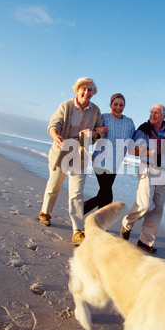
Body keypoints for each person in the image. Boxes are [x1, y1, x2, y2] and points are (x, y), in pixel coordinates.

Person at [39, 77, 104, 245]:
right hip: (61, 149)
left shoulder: (95, 110)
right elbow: (54, 124)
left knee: (76, 192)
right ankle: (45, 212)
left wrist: (95, 134)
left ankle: (77, 230)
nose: (87, 92)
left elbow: (100, 132)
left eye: (90, 90)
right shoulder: (66, 105)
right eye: (84, 89)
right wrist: (56, 136)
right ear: (77, 90)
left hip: (80, 153)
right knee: (54, 185)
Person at [120, 104, 165, 254]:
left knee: (158, 208)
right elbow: (131, 149)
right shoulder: (144, 129)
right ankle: (127, 224)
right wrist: (149, 152)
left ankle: (145, 240)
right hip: (147, 168)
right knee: (145, 204)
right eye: (151, 112)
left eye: (156, 113)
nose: (152, 115)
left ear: (163, 116)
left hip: (163, 172)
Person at [84, 93, 135, 214]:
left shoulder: (129, 122)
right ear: (110, 104)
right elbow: (92, 133)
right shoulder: (104, 118)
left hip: (115, 164)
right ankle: (80, 212)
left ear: (124, 106)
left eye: (121, 105)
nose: (118, 107)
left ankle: (97, 222)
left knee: (103, 194)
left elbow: (134, 140)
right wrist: (96, 130)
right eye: (115, 104)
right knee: (106, 194)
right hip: (100, 161)